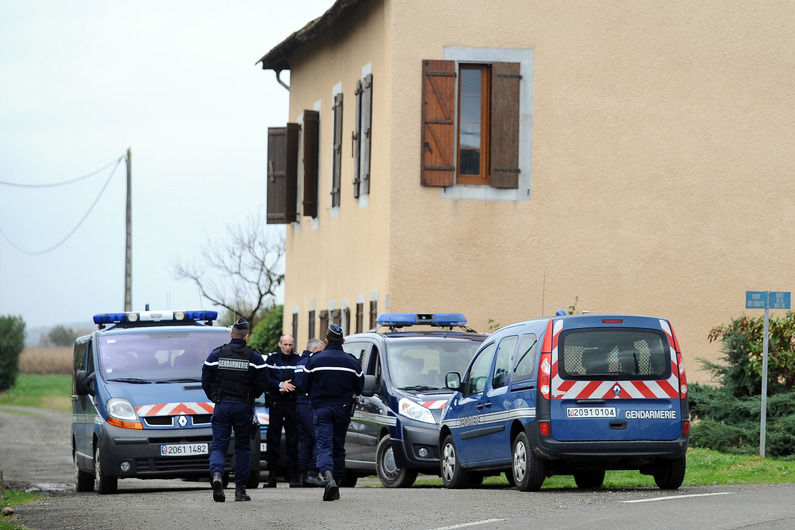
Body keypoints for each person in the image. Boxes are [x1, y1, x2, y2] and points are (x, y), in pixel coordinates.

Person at [201, 318, 268, 503]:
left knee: (218, 445)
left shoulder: (216, 355)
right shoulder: (254, 357)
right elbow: (263, 383)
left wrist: (215, 396)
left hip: (222, 405)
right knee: (243, 448)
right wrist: (250, 396)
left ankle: (216, 476)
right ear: (246, 336)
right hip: (242, 406)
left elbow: (205, 379)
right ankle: (240, 490)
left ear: (231, 334)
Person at [301, 324, 364, 501]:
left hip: (321, 410)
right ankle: (335, 481)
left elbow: (304, 386)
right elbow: (359, 388)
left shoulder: (315, 360)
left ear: (326, 341)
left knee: (324, 446)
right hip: (343, 410)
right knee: (338, 447)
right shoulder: (352, 362)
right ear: (343, 341)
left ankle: (328, 479)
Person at [263, 333, 300, 487]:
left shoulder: (297, 360)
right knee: (274, 441)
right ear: (279, 344)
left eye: (290, 345)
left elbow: (300, 378)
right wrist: (280, 385)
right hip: (276, 403)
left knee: (293, 441)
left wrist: (290, 387)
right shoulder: (272, 360)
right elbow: (266, 379)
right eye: (285, 344)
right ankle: (272, 478)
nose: (288, 348)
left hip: (292, 403)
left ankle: (292, 477)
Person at [293, 337, 326, 487]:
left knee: (306, 441)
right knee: (319, 438)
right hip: (309, 404)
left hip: (299, 404)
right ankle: (313, 472)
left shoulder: (300, 362)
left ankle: (302, 475)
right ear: (315, 350)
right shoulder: (311, 362)